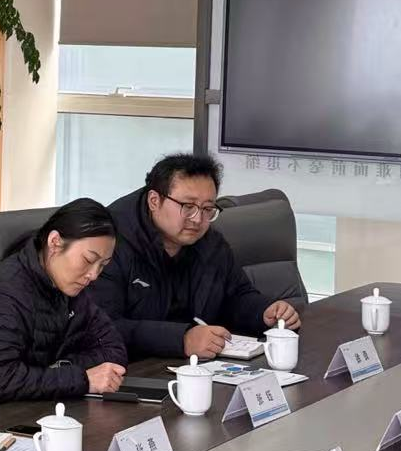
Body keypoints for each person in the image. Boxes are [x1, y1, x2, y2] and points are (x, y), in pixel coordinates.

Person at [87, 153, 299, 362]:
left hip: (193, 364)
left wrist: (263, 312)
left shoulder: (211, 243)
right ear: (154, 201)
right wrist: (182, 339)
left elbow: (235, 295)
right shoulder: (108, 243)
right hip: (125, 371)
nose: (198, 219)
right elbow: (99, 328)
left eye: (207, 209)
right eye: (188, 207)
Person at [0, 198, 128, 408]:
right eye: (88, 260)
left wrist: (59, 372)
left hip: (40, 407)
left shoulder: (70, 287)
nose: (93, 275)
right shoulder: (5, 292)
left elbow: (114, 351)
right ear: (54, 242)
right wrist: (81, 378)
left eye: (102, 265)